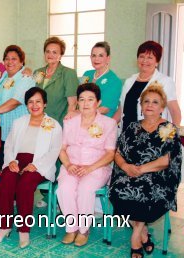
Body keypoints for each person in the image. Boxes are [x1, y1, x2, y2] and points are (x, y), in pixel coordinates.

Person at [109, 84, 182, 258]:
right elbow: (118, 153)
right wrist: (126, 167)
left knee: (146, 193)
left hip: (159, 176)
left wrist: (141, 169)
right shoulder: (132, 127)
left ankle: (136, 237)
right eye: (146, 101)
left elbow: (168, 160)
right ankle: (143, 233)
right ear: (141, 106)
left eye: (155, 102)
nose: (150, 105)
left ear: (162, 108)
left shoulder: (169, 129)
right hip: (130, 172)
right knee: (119, 190)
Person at [0, 87, 62, 248]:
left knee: (25, 185)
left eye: (38, 101)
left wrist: (36, 165)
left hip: (40, 164)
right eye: (30, 102)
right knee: (5, 182)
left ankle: (24, 230)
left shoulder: (53, 125)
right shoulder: (19, 122)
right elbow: (8, 145)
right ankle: (5, 227)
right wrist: (11, 161)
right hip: (16, 160)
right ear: (26, 105)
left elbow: (54, 150)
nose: (34, 105)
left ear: (45, 104)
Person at [56, 83, 117, 247]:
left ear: (98, 102)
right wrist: (68, 165)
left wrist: (90, 168)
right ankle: (71, 228)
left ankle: (83, 230)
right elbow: (62, 149)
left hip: (96, 167)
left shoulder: (109, 123)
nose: (86, 103)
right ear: (77, 102)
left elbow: (110, 153)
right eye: (82, 99)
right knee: (64, 189)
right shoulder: (69, 122)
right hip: (72, 165)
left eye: (90, 99)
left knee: (85, 189)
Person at [114, 40, 181, 130]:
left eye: (150, 57)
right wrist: (108, 125)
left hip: (152, 136)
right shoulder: (129, 81)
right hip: (126, 135)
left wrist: (173, 133)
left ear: (157, 62)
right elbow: (121, 109)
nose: (145, 60)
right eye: (141, 56)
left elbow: (174, 111)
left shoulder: (165, 81)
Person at [0, 45, 35, 167]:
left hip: (16, 127)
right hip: (2, 126)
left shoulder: (26, 78)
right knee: (4, 162)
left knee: (15, 164)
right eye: (7, 58)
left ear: (21, 61)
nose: (9, 62)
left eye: (14, 59)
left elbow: (15, 101)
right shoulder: (4, 75)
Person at [33, 37, 79, 125]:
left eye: (54, 52)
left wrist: (68, 123)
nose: (50, 55)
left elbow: (72, 104)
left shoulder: (68, 73)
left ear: (60, 55)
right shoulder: (38, 72)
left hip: (58, 122)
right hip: (38, 121)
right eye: (47, 51)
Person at [82, 41, 122, 117]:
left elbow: (105, 109)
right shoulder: (87, 74)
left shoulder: (114, 81)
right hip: (83, 118)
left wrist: (82, 113)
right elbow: (79, 96)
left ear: (108, 58)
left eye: (101, 55)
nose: (96, 59)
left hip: (102, 122)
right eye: (94, 55)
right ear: (90, 58)